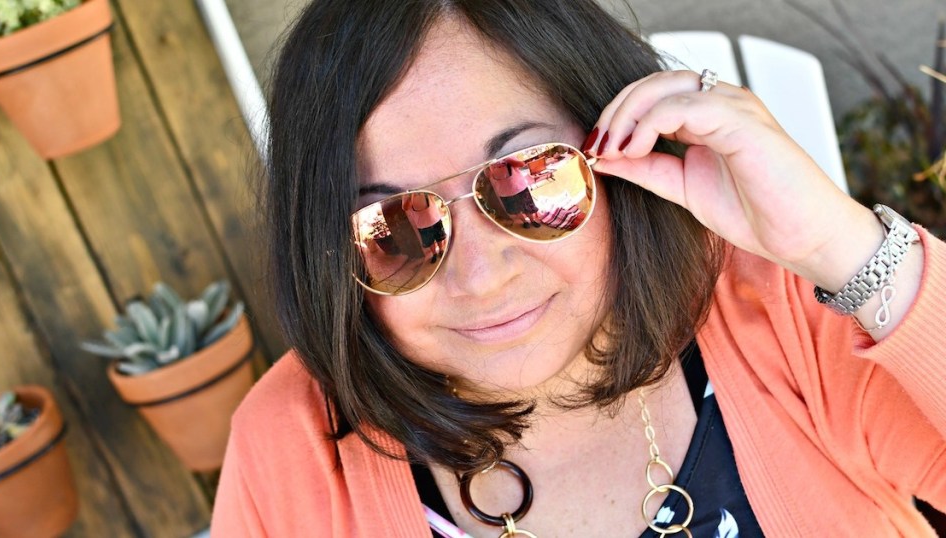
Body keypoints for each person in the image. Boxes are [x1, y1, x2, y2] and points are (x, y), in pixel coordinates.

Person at [212, 0, 946, 536]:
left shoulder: (789, 314)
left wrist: (841, 248)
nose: (480, 275)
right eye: (394, 227)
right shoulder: (295, 454)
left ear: (617, 149)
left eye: (529, 178)